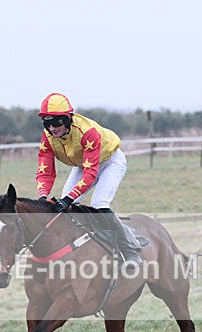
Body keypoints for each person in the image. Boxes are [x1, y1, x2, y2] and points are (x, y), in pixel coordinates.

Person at [35, 92, 142, 269]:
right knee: (67, 205)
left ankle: (129, 249)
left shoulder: (87, 132)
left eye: (57, 122)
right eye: (47, 123)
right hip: (84, 164)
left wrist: (68, 198)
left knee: (99, 203)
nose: (53, 128)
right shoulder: (47, 137)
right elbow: (45, 172)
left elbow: (90, 174)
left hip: (110, 161)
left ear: (68, 119)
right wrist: (42, 196)